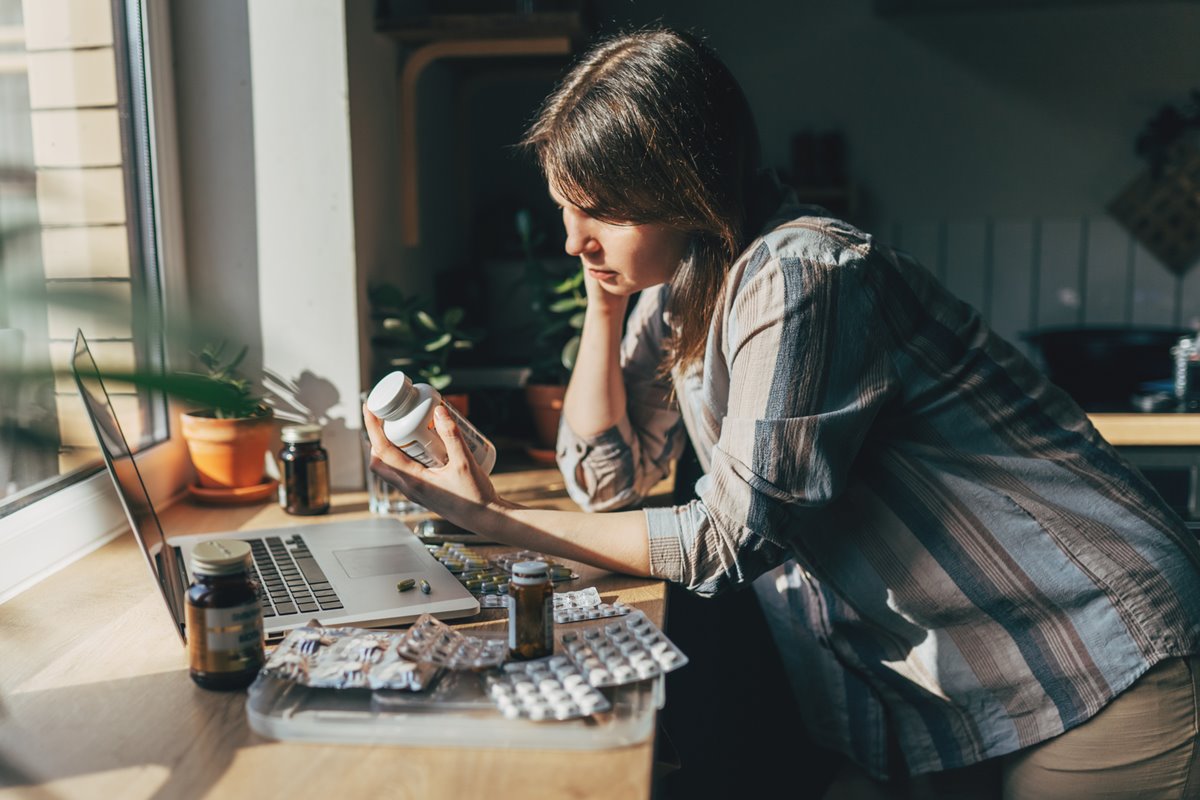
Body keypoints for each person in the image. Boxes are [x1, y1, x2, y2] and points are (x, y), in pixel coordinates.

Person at [365, 28, 1200, 799]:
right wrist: (605, 302)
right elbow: (605, 480)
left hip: (1102, 646)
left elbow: (730, 539)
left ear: (684, 185)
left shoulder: (804, 275)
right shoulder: (687, 283)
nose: (572, 238)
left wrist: (497, 518)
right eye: (564, 207)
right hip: (973, 679)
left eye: (601, 211)